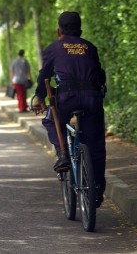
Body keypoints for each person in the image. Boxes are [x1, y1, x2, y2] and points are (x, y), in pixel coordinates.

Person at [33, 11, 106, 207]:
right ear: (80, 30)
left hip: (67, 98)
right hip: (92, 99)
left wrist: (39, 97)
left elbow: (44, 76)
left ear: (59, 31)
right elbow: (101, 76)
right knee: (96, 144)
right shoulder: (90, 47)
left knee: (51, 120)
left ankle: (63, 153)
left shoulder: (54, 48)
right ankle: (97, 191)